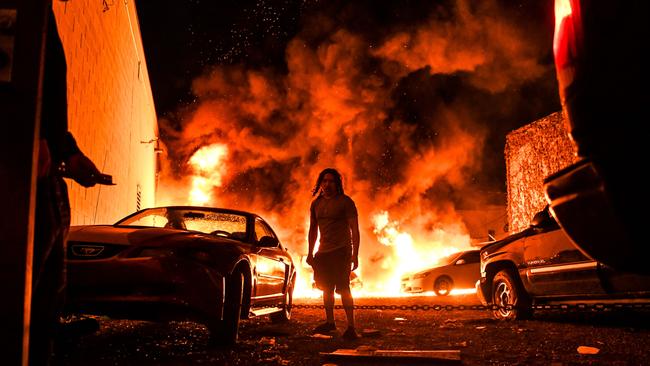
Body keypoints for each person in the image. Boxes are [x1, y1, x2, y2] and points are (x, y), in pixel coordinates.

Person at [30, 4, 102, 365]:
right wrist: (34, 133)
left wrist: (66, 150)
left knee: (43, 297)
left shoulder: (39, 11)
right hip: (21, 169)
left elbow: (46, 80)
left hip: (44, 173)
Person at [306, 168, 360, 340]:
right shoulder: (316, 204)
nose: (327, 184)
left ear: (337, 183)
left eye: (331, 181)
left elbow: (355, 230)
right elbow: (313, 230)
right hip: (323, 253)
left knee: (344, 289)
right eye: (324, 181)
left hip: (341, 251)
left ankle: (351, 327)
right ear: (320, 184)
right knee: (326, 289)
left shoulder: (346, 202)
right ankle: (330, 323)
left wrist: (355, 254)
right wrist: (310, 252)